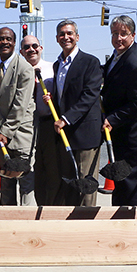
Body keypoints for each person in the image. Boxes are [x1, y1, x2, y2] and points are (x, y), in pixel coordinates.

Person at [44, 20, 102, 206]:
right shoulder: (57, 65)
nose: (66, 37)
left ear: (77, 37)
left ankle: (87, 226)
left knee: (85, 185)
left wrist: (65, 119)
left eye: (69, 33)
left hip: (85, 133)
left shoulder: (90, 62)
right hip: (65, 134)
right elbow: (66, 95)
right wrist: (52, 100)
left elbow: (89, 95)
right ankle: (70, 226)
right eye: (62, 34)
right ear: (56, 38)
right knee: (69, 183)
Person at [101, 15, 137, 206]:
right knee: (121, 182)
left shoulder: (136, 62)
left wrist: (113, 119)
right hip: (122, 134)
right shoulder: (119, 56)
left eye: (123, 34)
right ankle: (120, 222)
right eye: (114, 33)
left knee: (132, 185)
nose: (118, 38)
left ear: (133, 35)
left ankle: (134, 223)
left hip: (135, 136)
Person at [0, 27, 36, 206]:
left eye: (8, 39)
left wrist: (6, 132)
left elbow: (20, 105)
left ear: (15, 43)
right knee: (6, 181)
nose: (4, 42)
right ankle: (6, 220)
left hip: (21, 134)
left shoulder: (25, 68)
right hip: (0, 135)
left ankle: (26, 222)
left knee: (25, 181)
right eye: (1, 39)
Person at [20, 35, 60, 206]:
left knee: (50, 169)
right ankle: (34, 205)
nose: (31, 50)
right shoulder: (18, 71)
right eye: (27, 47)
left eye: (34, 46)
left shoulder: (52, 69)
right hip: (25, 127)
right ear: (21, 51)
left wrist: (53, 98)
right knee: (32, 171)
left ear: (41, 48)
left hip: (47, 124)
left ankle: (51, 206)